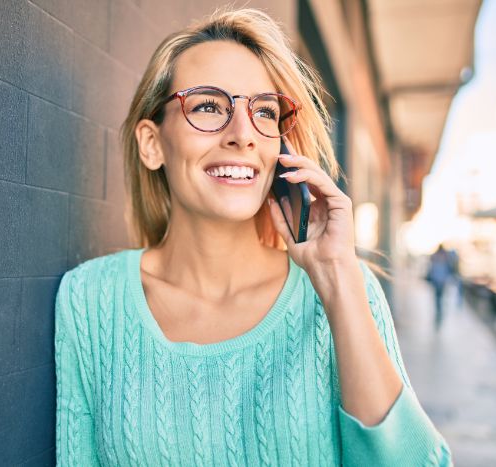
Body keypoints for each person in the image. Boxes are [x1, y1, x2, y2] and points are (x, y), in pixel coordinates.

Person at [55, 7, 452, 466]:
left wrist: (338, 281)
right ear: (152, 143)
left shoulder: (346, 289)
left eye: (264, 111)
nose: (243, 134)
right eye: (207, 106)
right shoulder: (90, 300)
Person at [426, 244, 453, 328]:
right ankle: (439, 308)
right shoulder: (446, 257)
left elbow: (431, 266)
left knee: (437, 296)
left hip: (436, 279)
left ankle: (439, 308)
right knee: (440, 295)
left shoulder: (435, 256)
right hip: (442, 280)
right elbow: (449, 269)